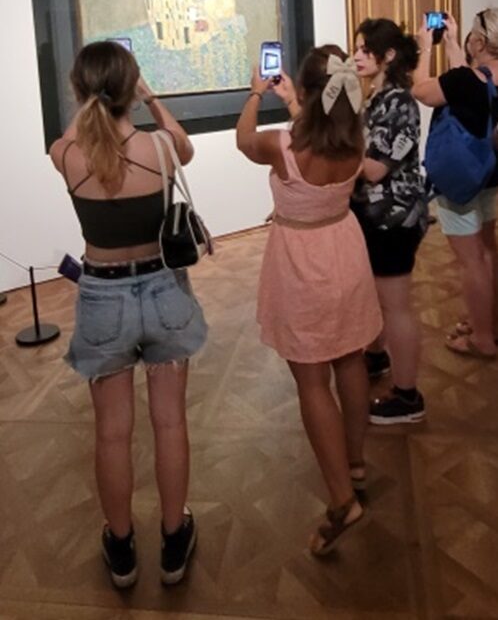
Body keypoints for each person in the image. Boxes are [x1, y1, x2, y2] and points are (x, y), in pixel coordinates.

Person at [50, 41, 207, 588]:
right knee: (170, 422)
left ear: (79, 90)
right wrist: (151, 97)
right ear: (131, 89)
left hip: (102, 299)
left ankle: (121, 547)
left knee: (112, 434)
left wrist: (89, 98)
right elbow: (185, 147)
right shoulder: (162, 148)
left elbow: (71, 135)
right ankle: (173, 537)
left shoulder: (66, 156)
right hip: (164, 293)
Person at [236, 45, 382, 556]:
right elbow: (322, 125)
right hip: (344, 250)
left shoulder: (282, 146)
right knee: (351, 360)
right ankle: (355, 464)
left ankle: (342, 500)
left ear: (306, 88)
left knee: (312, 378)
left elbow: (243, 139)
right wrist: (296, 103)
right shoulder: (355, 138)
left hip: (302, 262)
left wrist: (257, 94)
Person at [352, 19, 428, 424]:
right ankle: (376, 355)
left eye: (365, 50)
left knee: (396, 305)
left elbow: (375, 169)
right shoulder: (377, 97)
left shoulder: (398, 101)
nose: (357, 56)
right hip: (377, 216)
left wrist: (335, 153)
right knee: (379, 296)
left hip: (394, 218)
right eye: (357, 48)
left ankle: (408, 395)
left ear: (389, 55)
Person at [413, 10, 498, 359]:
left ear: (479, 42)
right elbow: (470, 87)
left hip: (460, 179)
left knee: (470, 259)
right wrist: (451, 43)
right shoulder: (476, 79)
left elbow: (422, 90)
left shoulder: (465, 81)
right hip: (490, 173)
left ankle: (482, 339)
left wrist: (424, 47)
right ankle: (488, 322)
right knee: (488, 250)